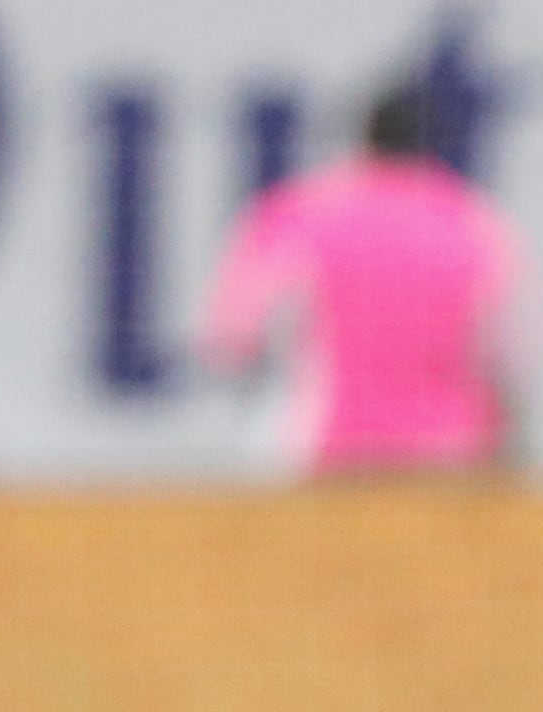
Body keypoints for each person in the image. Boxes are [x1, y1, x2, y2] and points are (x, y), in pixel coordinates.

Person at [202, 85, 520, 478]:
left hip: (323, 447)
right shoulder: (473, 220)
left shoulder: (298, 213)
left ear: (364, 137)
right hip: (447, 453)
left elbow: (232, 340)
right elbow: (511, 357)